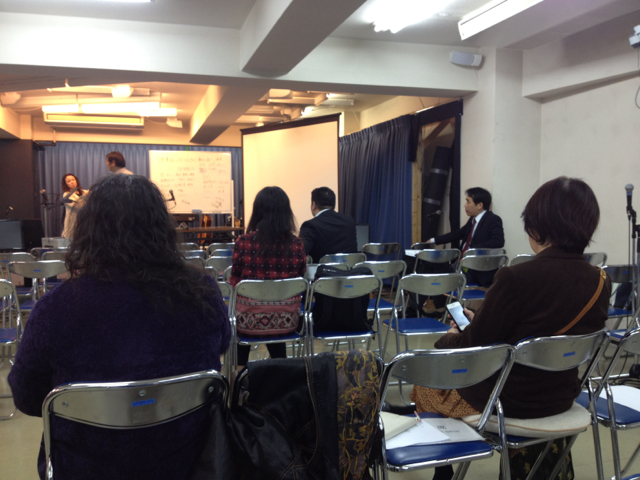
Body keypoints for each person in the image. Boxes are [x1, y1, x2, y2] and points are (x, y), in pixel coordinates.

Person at [9, 175, 230, 480]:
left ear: (89, 231)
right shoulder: (203, 292)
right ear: (162, 229)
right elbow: (220, 349)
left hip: (85, 466)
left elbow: (28, 397)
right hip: (188, 460)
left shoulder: (55, 308)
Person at [411, 177, 610, 480]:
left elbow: (474, 348)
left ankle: (444, 471)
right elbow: (543, 330)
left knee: (425, 383)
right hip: (562, 396)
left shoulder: (515, 277)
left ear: (537, 226)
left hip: (509, 401)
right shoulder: (601, 281)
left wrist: (447, 339)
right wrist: (485, 321)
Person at [230, 186, 306, 367]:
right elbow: (300, 278)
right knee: (275, 313)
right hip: (287, 322)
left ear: (257, 211)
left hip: (248, 323)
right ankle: (281, 372)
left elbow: (234, 282)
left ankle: (239, 374)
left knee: (241, 322)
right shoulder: (296, 244)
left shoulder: (243, 242)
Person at [427, 187, 504, 287]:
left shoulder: (493, 219)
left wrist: (471, 252)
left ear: (479, 205)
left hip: (476, 269)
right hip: (461, 264)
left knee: (441, 281)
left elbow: (498, 241)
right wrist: (433, 240)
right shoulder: (473, 220)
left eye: (468, 202)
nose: (465, 205)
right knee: (432, 268)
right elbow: (458, 234)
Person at [298, 187, 358, 263]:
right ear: (334, 204)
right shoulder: (349, 221)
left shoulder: (310, 225)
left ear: (314, 205)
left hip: (321, 270)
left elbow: (299, 255)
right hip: (349, 270)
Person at [60, 173, 89, 239]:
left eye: (73, 180)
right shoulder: (66, 194)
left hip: (84, 221)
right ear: (66, 184)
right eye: (69, 181)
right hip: (73, 222)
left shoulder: (85, 192)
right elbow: (78, 206)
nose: (72, 182)